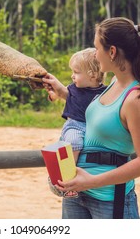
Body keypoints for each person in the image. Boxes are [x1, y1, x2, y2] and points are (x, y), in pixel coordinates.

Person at [48, 17, 140, 219]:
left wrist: (90, 181)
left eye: (97, 48)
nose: (95, 54)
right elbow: (99, 116)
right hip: (78, 193)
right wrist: (63, 92)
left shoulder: (137, 98)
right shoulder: (116, 82)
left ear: (112, 52)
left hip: (109, 199)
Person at [43, 48, 107, 198]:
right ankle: (68, 180)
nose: (72, 76)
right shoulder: (74, 89)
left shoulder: (104, 93)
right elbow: (62, 93)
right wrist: (53, 92)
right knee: (73, 143)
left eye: (76, 72)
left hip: (92, 129)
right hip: (75, 126)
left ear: (92, 74)